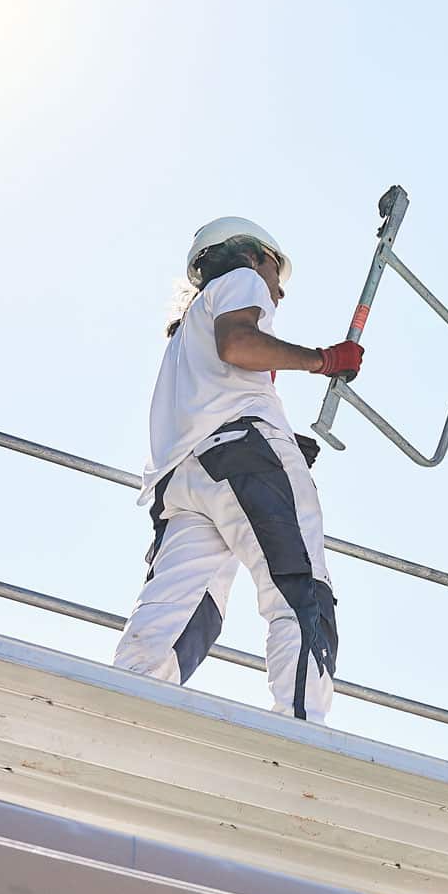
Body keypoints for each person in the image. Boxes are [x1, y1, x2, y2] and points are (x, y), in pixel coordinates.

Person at [112, 216, 363, 724]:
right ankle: (301, 725)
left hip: (183, 482)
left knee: (183, 609)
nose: (278, 293)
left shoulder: (184, 335)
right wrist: (323, 360)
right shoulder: (240, 280)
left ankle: (126, 706)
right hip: (242, 456)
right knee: (298, 587)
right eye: (277, 272)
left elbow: (214, 397)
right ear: (251, 256)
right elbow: (240, 346)